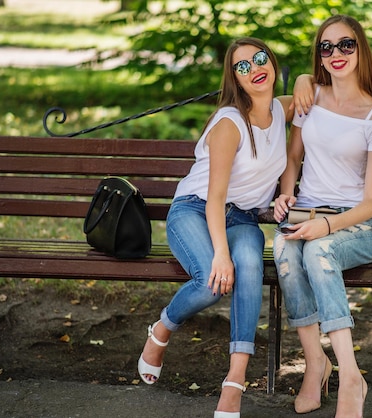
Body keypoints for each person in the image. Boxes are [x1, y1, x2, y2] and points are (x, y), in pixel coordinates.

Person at [138, 37, 293, 418]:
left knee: (251, 266)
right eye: (242, 66)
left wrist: (303, 81)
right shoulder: (229, 123)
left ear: (271, 63)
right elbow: (213, 197)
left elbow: (310, 90)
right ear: (235, 79)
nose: (254, 68)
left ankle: (234, 382)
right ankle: (161, 329)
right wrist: (221, 254)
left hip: (241, 217)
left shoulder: (280, 110)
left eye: (260, 59)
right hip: (194, 210)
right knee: (212, 279)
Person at [272, 15, 372, 417]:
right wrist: (287, 193)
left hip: (356, 226)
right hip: (307, 213)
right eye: (327, 47)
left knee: (317, 252)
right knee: (286, 251)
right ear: (319, 55)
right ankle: (315, 364)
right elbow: (293, 157)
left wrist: (324, 226)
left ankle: (352, 377)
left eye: (346, 45)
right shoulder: (310, 99)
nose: (336, 54)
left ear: (361, 50)